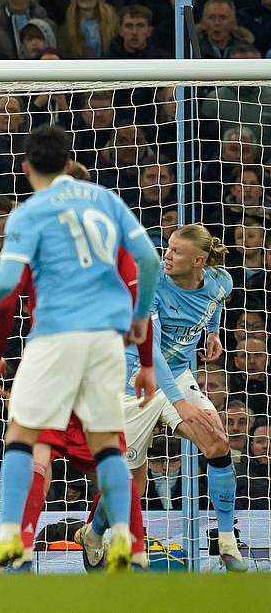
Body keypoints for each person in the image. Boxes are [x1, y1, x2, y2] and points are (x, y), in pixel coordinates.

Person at [0, 124, 161, 572]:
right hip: (106, 341)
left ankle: (13, 541)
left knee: (22, 438)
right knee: (108, 445)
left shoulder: (29, 214)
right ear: (70, 164)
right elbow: (149, 260)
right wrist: (139, 319)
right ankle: (129, 545)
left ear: (25, 167)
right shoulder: (107, 201)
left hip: (55, 338)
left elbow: (7, 286)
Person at [82, 224, 248, 571]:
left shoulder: (221, 281)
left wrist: (213, 332)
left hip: (179, 375)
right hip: (134, 383)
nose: (167, 256)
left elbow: (215, 303)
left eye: (176, 251)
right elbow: (151, 351)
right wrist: (179, 403)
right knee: (131, 486)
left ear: (199, 261)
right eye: (168, 248)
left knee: (217, 442)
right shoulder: (150, 283)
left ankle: (226, 540)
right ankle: (93, 532)